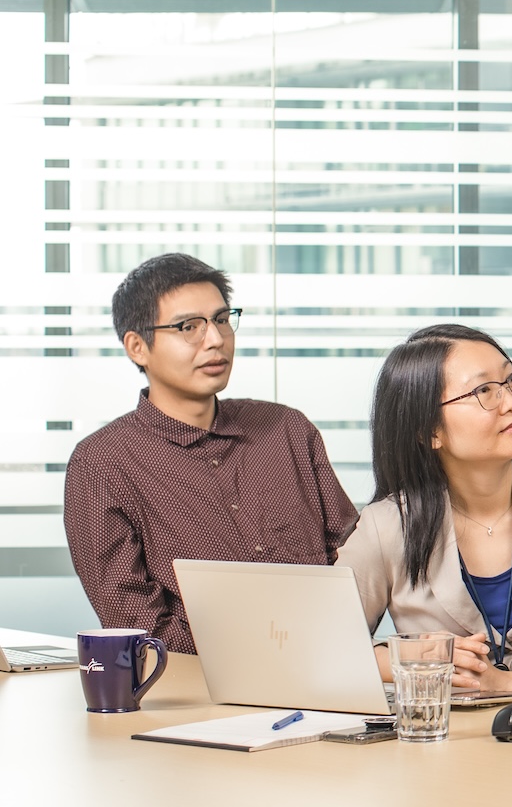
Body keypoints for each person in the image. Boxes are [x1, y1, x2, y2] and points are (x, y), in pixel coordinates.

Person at [65, 253, 358, 654]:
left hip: (332, 676)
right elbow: (135, 618)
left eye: (222, 320)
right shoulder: (103, 464)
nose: (216, 339)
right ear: (137, 347)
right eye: (189, 327)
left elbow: (355, 559)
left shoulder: (286, 430)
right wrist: (260, 655)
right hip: (203, 696)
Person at [336, 324, 512, 693]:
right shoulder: (388, 525)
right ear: (430, 432)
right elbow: (322, 646)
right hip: (440, 735)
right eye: (485, 391)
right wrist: (414, 657)